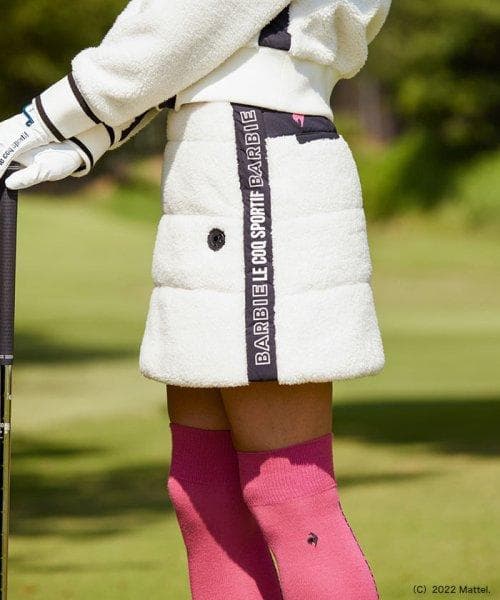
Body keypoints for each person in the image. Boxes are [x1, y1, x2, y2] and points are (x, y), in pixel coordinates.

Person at [0, 1, 392, 598]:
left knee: (289, 494)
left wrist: (46, 117)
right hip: (221, 158)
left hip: (257, 160)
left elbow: (190, 17)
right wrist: (89, 134)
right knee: (201, 491)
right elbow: (198, 48)